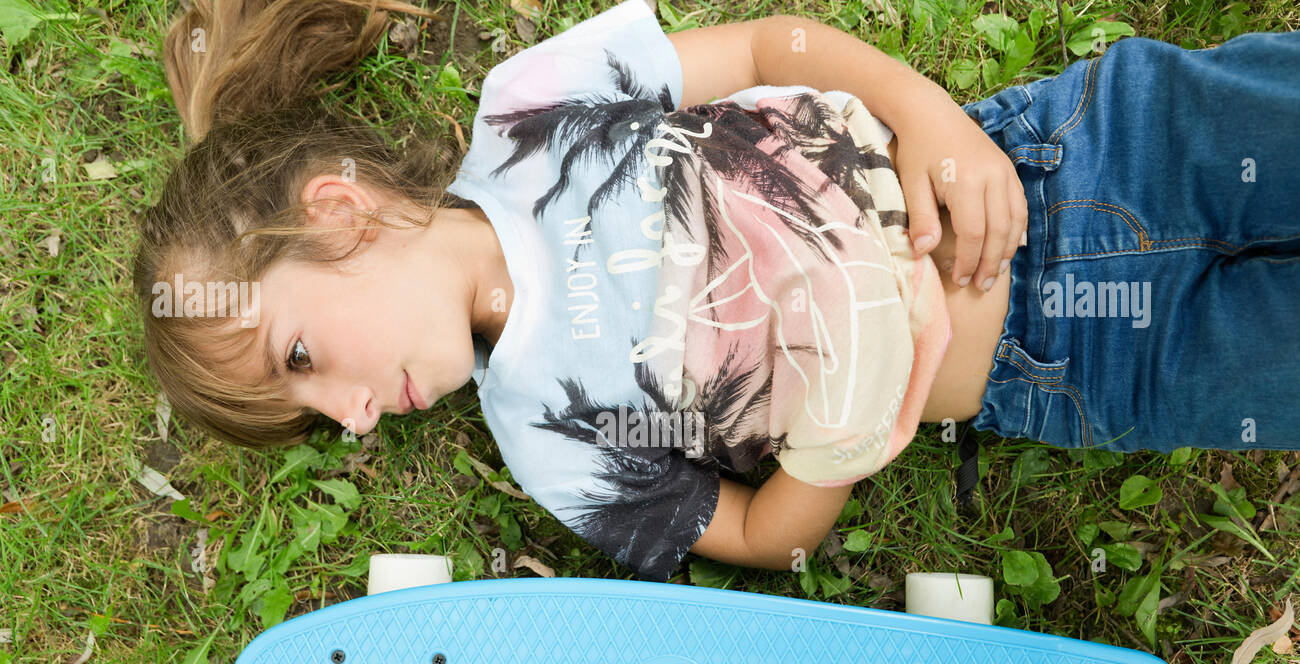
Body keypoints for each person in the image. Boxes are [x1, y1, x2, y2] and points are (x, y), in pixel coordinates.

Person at [136, 0, 1299, 583]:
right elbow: (749, 534)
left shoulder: (527, 109)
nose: (347, 415)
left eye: (299, 361)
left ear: (337, 213)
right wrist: (831, 447)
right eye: (313, 421)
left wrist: (930, 116)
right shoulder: (545, 439)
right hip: (1075, 369)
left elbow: (765, 50)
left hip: (1071, 155)